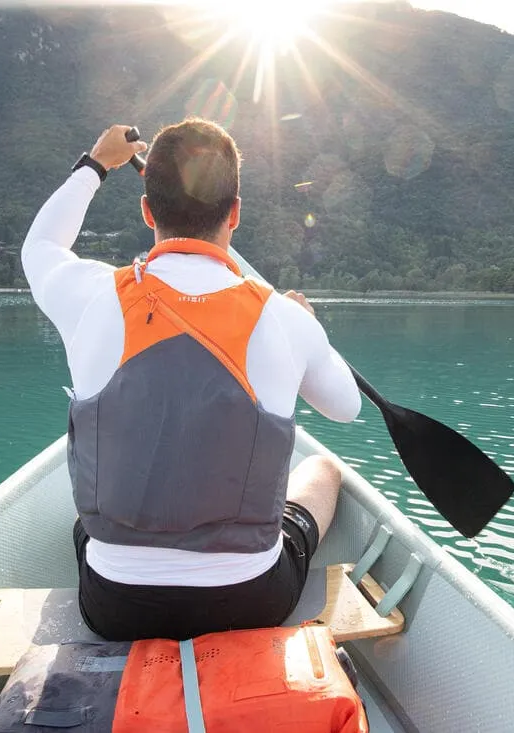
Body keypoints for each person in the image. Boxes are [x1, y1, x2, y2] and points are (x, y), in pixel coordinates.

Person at [21, 118, 361, 642]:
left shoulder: (91, 296)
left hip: (115, 607)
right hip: (251, 600)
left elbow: (40, 247)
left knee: (81, 522)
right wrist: (310, 328)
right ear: (235, 213)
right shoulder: (284, 319)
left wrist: (95, 165)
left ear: (147, 211)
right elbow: (346, 407)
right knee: (323, 468)